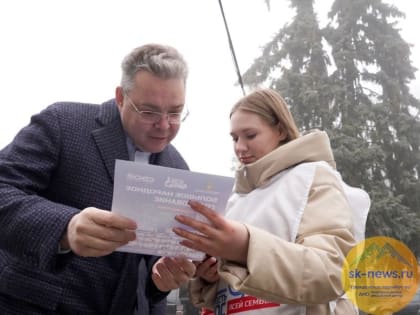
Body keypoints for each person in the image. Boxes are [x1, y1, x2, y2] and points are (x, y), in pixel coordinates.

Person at [0, 43, 196, 314]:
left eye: (175, 112)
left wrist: (162, 278)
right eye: (149, 112)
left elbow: (153, 262)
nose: (164, 126)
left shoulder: (179, 168)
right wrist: (65, 228)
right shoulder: (64, 123)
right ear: (120, 97)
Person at [173, 88, 371, 314]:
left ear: (280, 130)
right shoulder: (234, 199)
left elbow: (333, 272)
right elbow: (232, 295)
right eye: (234, 137)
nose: (239, 147)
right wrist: (211, 276)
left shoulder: (313, 177)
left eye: (250, 135)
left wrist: (246, 247)